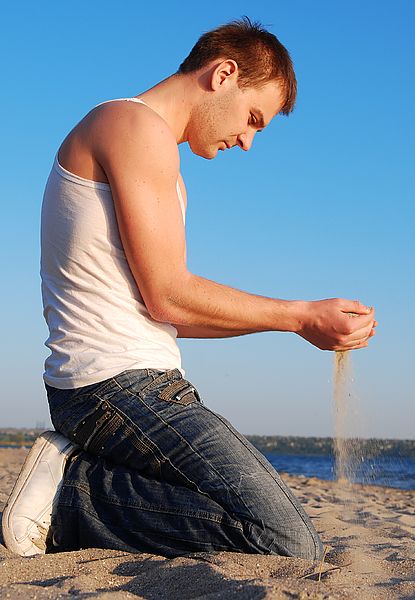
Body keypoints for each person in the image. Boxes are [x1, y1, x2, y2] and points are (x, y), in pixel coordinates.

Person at [2, 17, 376, 560]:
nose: (247, 142)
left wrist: (299, 328)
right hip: (116, 387)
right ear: (223, 73)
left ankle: (78, 485)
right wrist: (299, 314)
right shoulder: (130, 124)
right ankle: (69, 497)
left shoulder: (155, 154)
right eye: (253, 118)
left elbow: (170, 313)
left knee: (261, 525)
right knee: (287, 542)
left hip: (139, 386)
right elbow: (169, 294)